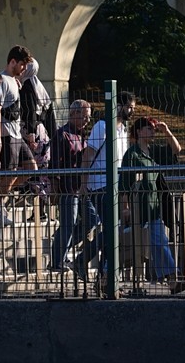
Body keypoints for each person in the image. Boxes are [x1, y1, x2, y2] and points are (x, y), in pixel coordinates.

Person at [71, 90, 137, 282]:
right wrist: (84, 183)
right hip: (99, 185)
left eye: (132, 108)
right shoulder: (102, 126)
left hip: (114, 186)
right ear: (118, 106)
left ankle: (103, 274)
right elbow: (88, 155)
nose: (131, 111)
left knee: (113, 229)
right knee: (111, 228)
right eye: (128, 107)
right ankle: (96, 270)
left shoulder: (123, 130)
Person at [120, 117, 185, 293]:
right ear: (139, 131)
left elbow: (176, 149)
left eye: (153, 129)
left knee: (160, 242)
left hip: (154, 207)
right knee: (125, 245)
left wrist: (166, 131)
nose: (152, 132)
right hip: (137, 208)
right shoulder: (132, 154)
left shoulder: (153, 151)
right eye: (149, 129)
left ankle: (173, 279)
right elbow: (124, 185)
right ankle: (106, 274)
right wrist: (124, 208)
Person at [0, 45, 34, 229]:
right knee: (10, 171)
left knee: (31, 167)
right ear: (12, 61)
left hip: (17, 133)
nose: (23, 69)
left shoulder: (15, 81)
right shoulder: (3, 80)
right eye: (22, 65)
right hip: (6, 133)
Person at [49, 99, 93, 271]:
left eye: (88, 118)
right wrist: (54, 187)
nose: (87, 121)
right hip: (67, 186)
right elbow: (54, 164)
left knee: (92, 219)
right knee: (68, 222)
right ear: (74, 114)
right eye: (84, 117)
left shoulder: (82, 135)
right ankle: (57, 259)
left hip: (81, 186)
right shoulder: (62, 134)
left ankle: (61, 244)